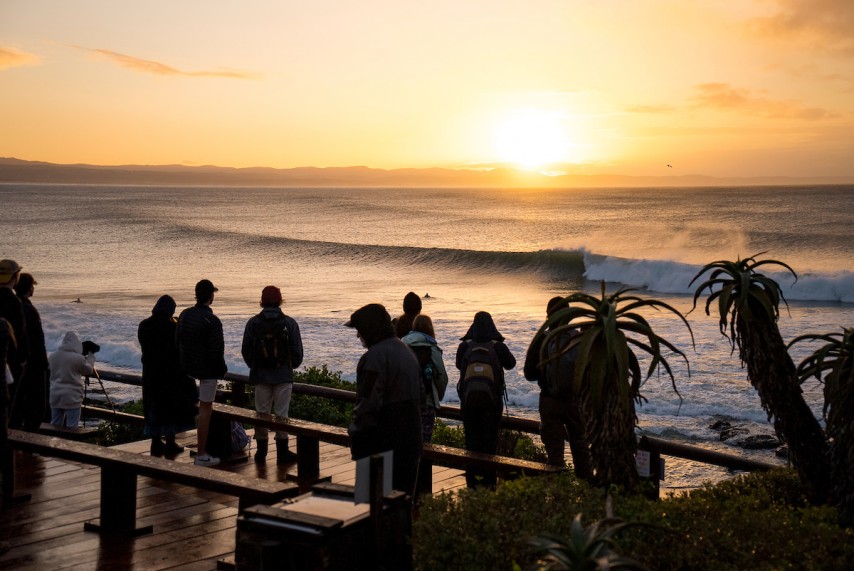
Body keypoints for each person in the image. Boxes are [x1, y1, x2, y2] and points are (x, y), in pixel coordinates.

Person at [346, 303, 422, 495]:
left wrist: (355, 436)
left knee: (370, 506)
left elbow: (367, 405)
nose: (357, 335)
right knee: (402, 506)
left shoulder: (374, 358)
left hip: (380, 444)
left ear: (369, 329)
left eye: (359, 330)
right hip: (411, 440)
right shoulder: (406, 351)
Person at [524, 297, 591, 477]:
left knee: (555, 454)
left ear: (549, 316)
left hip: (550, 400)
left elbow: (529, 373)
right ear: (569, 315)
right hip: (575, 402)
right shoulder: (579, 338)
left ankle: (557, 494)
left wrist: (546, 374)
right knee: (581, 447)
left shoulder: (543, 339)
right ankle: (587, 493)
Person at [241, 285, 304, 464]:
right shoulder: (289, 323)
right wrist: (290, 366)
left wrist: (255, 366)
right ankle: (282, 452)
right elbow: (297, 352)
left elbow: (246, 350)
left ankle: (261, 452)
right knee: (281, 413)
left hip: (261, 375)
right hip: (283, 375)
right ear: (280, 300)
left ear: (262, 301)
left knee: (261, 412)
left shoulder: (253, 323)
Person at [456, 311, 516, 488]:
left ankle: (472, 485)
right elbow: (511, 364)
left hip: (468, 403)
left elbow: (459, 365)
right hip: (492, 404)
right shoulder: (497, 346)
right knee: (490, 445)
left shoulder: (465, 346)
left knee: (471, 444)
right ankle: (489, 486)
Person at [138, 295, 198, 458]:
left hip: (150, 375)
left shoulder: (144, 325)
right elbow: (180, 349)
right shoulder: (173, 327)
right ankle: (170, 443)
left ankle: (155, 441)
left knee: (153, 408)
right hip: (170, 375)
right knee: (170, 409)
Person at [176, 279, 227, 467]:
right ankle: (202, 454)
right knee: (205, 409)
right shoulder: (212, 321)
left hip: (187, 368)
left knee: (197, 406)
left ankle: (198, 449)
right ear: (211, 296)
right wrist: (222, 371)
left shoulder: (184, 314)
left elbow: (178, 341)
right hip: (207, 371)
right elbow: (217, 352)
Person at [401, 314, 448, 442]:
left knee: (405, 440)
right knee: (424, 443)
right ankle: (423, 462)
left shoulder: (401, 343)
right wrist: (437, 397)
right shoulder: (432, 347)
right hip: (426, 402)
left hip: (403, 401)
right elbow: (442, 377)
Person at [11, 273, 49, 431]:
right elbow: (36, 340)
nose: (33, 288)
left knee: (19, 404)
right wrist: (43, 364)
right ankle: (27, 446)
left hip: (21, 365)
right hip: (33, 365)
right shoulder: (27, 309)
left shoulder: (14, 305)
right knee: (35, 407)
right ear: (28, 288)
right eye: (32, 286)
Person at [48, 331, 96, 428]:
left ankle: (54, 442)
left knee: (55, 424)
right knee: (72, 426)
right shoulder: (78, 358)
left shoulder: (52, 356)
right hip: (72, 397)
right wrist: (91, 356)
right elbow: (88, 370)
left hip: (55, 395)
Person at [0, 260, 29, 408]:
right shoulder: (14, 302)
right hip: (10, 360)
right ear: (14, 277)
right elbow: (21, 334)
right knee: (8, 404)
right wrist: (23, 359)